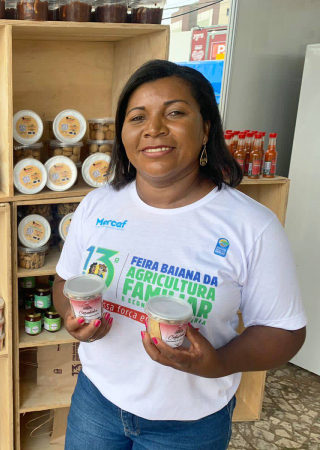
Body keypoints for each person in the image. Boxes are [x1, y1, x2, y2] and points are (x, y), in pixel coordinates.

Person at [54, 60, 306, 450]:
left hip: (189, 424)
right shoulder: (98, 204)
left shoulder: (252, 225)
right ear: (123, 134)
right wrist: (72, 320)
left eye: (174, 112)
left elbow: (284, 331)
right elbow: (65, 283)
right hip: (96, 402)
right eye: (138, 117)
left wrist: (219, 363)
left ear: (206, 128)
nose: (153, 128)